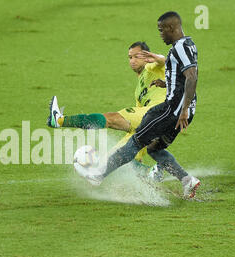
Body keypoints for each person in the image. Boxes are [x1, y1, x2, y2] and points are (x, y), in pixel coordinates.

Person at [72, 11, 201, 198]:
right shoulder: (189, 44)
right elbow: (183, 75)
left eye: (161, 30)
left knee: (137, 140)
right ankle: (187, 180)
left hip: (173, 109)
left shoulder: (179, 47)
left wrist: (183, 109)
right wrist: (168, 84)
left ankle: (99, 175)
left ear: (171, 28)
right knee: (154, 147)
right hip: (182, 108)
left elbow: (192, 75)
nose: (160, 34)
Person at [47, 41, 167, 177]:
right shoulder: (138, 90)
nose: (132, 61)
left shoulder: (152, 67)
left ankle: (60, 120)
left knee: (111, 118)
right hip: (153, 123)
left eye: (136, 57)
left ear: (146, 56)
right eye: (130, 57)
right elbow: (136, 123)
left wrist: (158, 58)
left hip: (158, 113)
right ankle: (150, 175)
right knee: (115, 158)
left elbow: (162, 61)